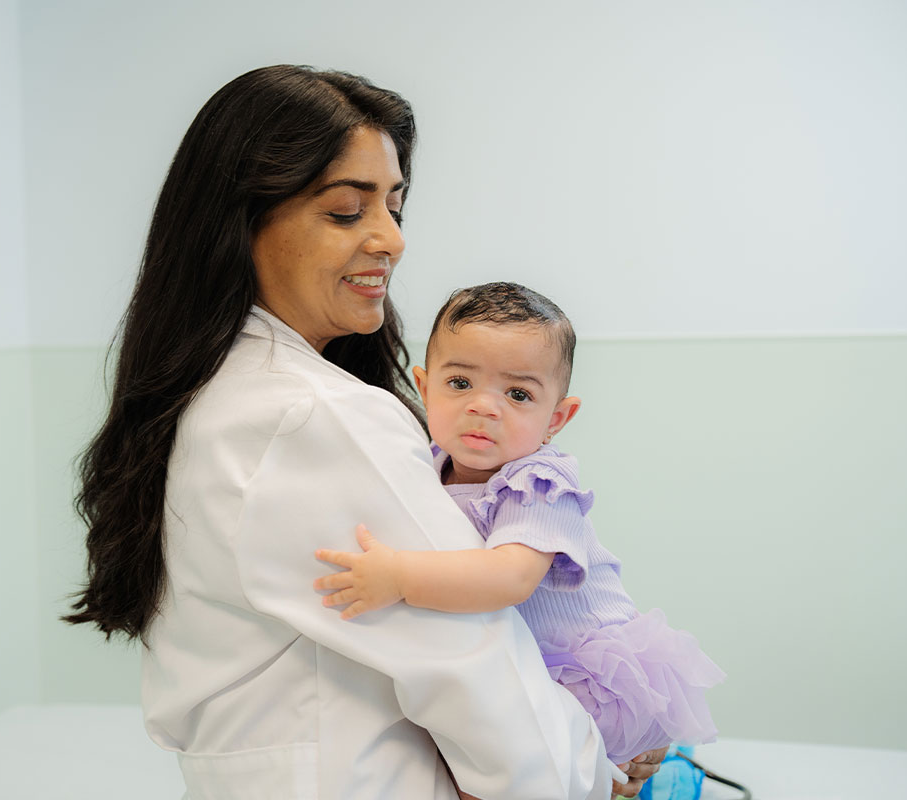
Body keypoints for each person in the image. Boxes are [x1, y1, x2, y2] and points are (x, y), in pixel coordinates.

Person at [66, 65, 663, 799]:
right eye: (348, 211)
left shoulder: (212, 393)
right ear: (240, 223)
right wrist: (592, 778)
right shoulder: (311, 413)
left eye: (395, 206)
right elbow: (476, 667)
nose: (391, 240)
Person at [314, 282, 725, 785]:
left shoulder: (538, 484)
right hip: (520, 665)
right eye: (461, 383)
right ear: (423, 388)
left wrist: (397, 575)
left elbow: (510, 578)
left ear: (556, 418)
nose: (485, 407)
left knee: (513, 778)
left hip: (585, 674)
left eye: (517, 394)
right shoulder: (427, 466)